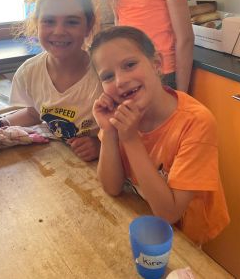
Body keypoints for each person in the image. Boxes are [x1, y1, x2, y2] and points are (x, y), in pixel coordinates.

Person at [90, 26, 229, 245]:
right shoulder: (119, 115)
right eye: (108, 76)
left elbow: (169, 214)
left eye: (129, 65)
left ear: (156, 63)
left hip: (184, 235)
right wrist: (109, 131)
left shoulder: (196, 122)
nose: (120, 81)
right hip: (143, 217)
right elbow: (111, 187)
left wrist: (130, 139)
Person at [0, 0, 102, 162]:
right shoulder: (29, 73)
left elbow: (130, 126)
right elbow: (33, 113)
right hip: (62, 165)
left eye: (72, 22)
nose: (59, 31)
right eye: (49, 21)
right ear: (36, 23)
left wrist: (101, 144)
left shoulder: (105, 74)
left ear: (89, 26)